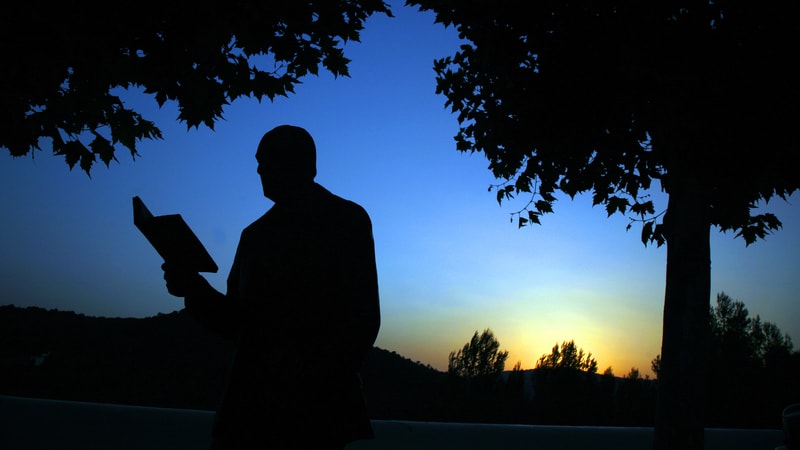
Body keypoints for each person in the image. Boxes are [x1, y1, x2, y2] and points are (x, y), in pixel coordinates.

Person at [162, 125, 381, 450]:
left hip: (312, 416)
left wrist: (310, 380)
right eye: (260, 161)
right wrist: (193, 287)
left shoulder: (346, 220)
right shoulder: (255, 235)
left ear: (304, 164)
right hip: (252, 412)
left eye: (268, 160)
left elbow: (362, 320)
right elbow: (235, 322)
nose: (260, 169)